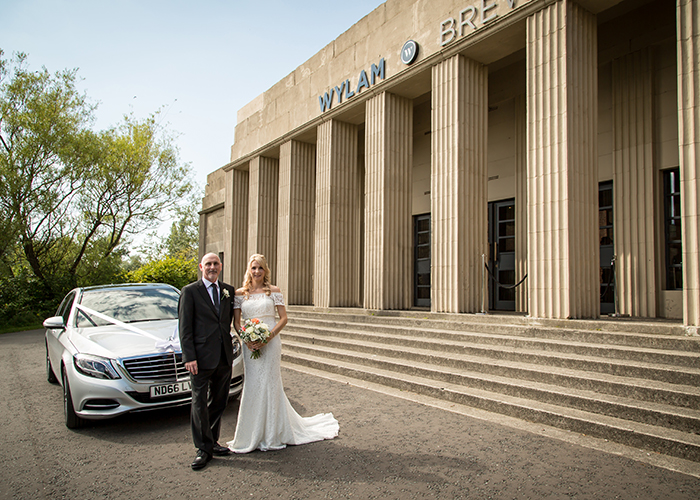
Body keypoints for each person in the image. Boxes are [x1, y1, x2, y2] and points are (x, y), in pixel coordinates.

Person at [227, 254, 339, 453]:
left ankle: (273, 433)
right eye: (254, 268)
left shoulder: (274, 291)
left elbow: (283, 318)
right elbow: (237, 323)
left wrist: (268, 337)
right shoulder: (239, 294)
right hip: (250, 343)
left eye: (260, 268)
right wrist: (247, 339)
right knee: (253, 385)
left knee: (270, 383)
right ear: (248, 270)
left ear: (265, 270)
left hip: (270, 342)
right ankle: (251, 433)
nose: (257, 272)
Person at [178, 253, 236, 470]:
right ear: (201, 267)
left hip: (223, 356)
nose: (212, 267)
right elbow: (185, 327)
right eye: (208, 264)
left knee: (220, 401)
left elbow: (229, 320)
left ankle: (212, 441)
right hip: (200, 359)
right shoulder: (190, 291)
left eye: (215, 264)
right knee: (199, 402)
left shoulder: (228, 291)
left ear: (220, 266)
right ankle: (203, 448)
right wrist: (189, 356)